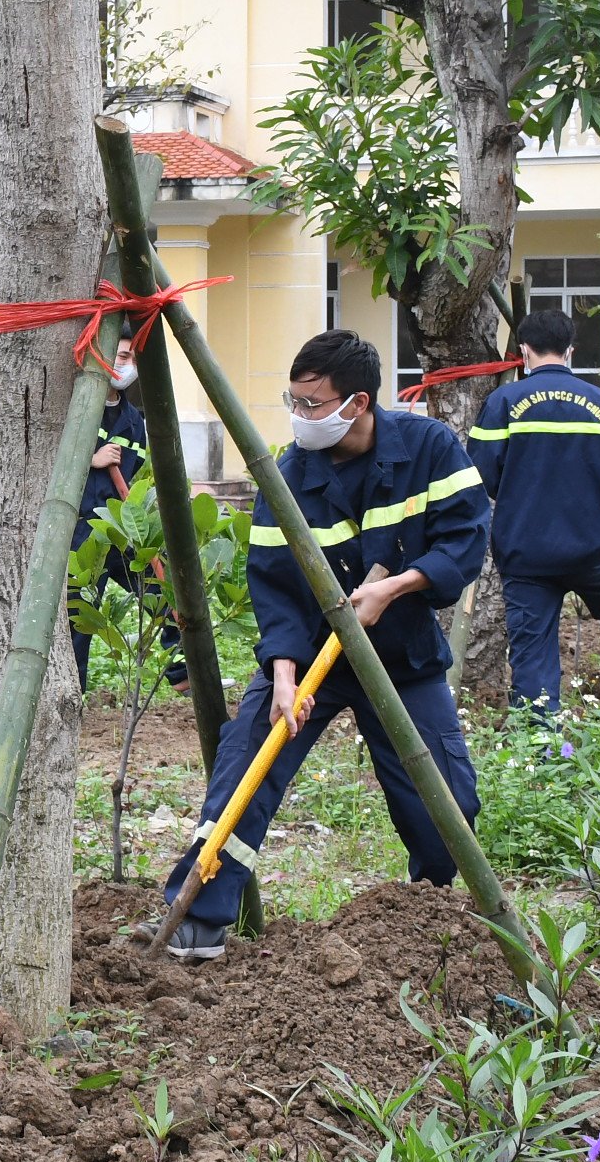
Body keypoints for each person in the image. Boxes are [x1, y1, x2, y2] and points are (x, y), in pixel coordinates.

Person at [156, 328, 489, 963]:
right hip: (310, 655)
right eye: (293, 401)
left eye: (312, 404)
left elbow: (464, 541)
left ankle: (433, 922)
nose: (299, 416)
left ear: (356, 404)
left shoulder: (430, 449)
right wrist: (283, 675)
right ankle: (196, 924)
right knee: (245, 776)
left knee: (443, 804)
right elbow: (276, 584)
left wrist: (394, 588)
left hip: (402, 659)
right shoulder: (288, 473)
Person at [468, 307, 600, 715]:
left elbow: (481, 477)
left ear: (524, 350)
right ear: (570, 350)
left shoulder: (503, 402)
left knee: (532, 651)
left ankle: (541, 747)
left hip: (524, 554)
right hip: (589, 550)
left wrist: (519, 496)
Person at [70, 337, 174, 690]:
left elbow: (135, 470)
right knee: (80, 616)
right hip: (81, 533)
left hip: (119, 528)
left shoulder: (134, 420)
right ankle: (73, 695)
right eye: (121, 354)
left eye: (132, 358)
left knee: (164, 594)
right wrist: (89, 459)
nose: (127, 364)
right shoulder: (80, 407)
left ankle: (183, 673)